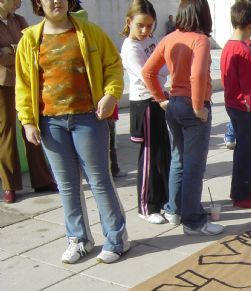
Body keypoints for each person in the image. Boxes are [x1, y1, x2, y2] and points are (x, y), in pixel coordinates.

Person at [16, 0, 130, 264]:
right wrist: (27, 121)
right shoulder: (30, 39)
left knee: (99, 180)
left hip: (89, 119)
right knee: (67, 186)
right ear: (38, 3)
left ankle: (117, 238)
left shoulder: (90, 32)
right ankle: (79, 239)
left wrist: (111, 94)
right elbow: (23, 84)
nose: (56, 1)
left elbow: (113, 65)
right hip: (50, 123)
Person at [142, 0, 224, 235]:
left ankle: (174, 210)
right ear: (203, 14)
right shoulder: (200, 40)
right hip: (192, 107)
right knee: (194, 166)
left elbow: (148, 71)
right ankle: (193, 220)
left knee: (179, 159)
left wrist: (161, 99)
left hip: (175, 104)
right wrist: (198, 107)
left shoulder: (169, 38)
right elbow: (197, 75)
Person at [0, 0, 56, 204]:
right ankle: (10, 185)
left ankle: (41, 179)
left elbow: (31, 46)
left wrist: (10, 51)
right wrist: (11, 51)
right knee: (6, 133)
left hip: (25, 81)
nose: (19, 2)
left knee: (32, 129)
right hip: (3, 84)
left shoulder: (19, 20)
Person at [121, 0, 170, 225]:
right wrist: (160, 92)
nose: (145, 31)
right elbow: (148, 75)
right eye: (140, 25)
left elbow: (164, 66)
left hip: (158, 100)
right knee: (149, 155)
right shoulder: (131, 48)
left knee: (163, 154)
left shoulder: (151, 39)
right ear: (129, 22)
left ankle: (163, 200)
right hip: (146, 103)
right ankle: (146, 205)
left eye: (150, 26)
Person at [71, 0, 127, 180]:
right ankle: (113, 168)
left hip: (99, 105)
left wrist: (111, 94)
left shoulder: (93, 34)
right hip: (93, 106)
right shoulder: (34, 37)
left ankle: (113, 168)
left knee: (99, 173)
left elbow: (113, 66)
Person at [220, 0, 251, 209]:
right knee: (247, 152)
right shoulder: (244, 51)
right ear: (250, 24)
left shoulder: (228, 46)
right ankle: (241, 193)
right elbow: (248, 87)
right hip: (246, 108)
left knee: (242, 150)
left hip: (233, 105)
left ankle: (241, 188)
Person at [223, 38, 251, 150]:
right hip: (243, 102)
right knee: (247, 149)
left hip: (232, 99)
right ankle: (232, 136)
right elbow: (248, 85)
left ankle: (232, 137)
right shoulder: (247, 49)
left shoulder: (228, 45)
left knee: (242, 146)